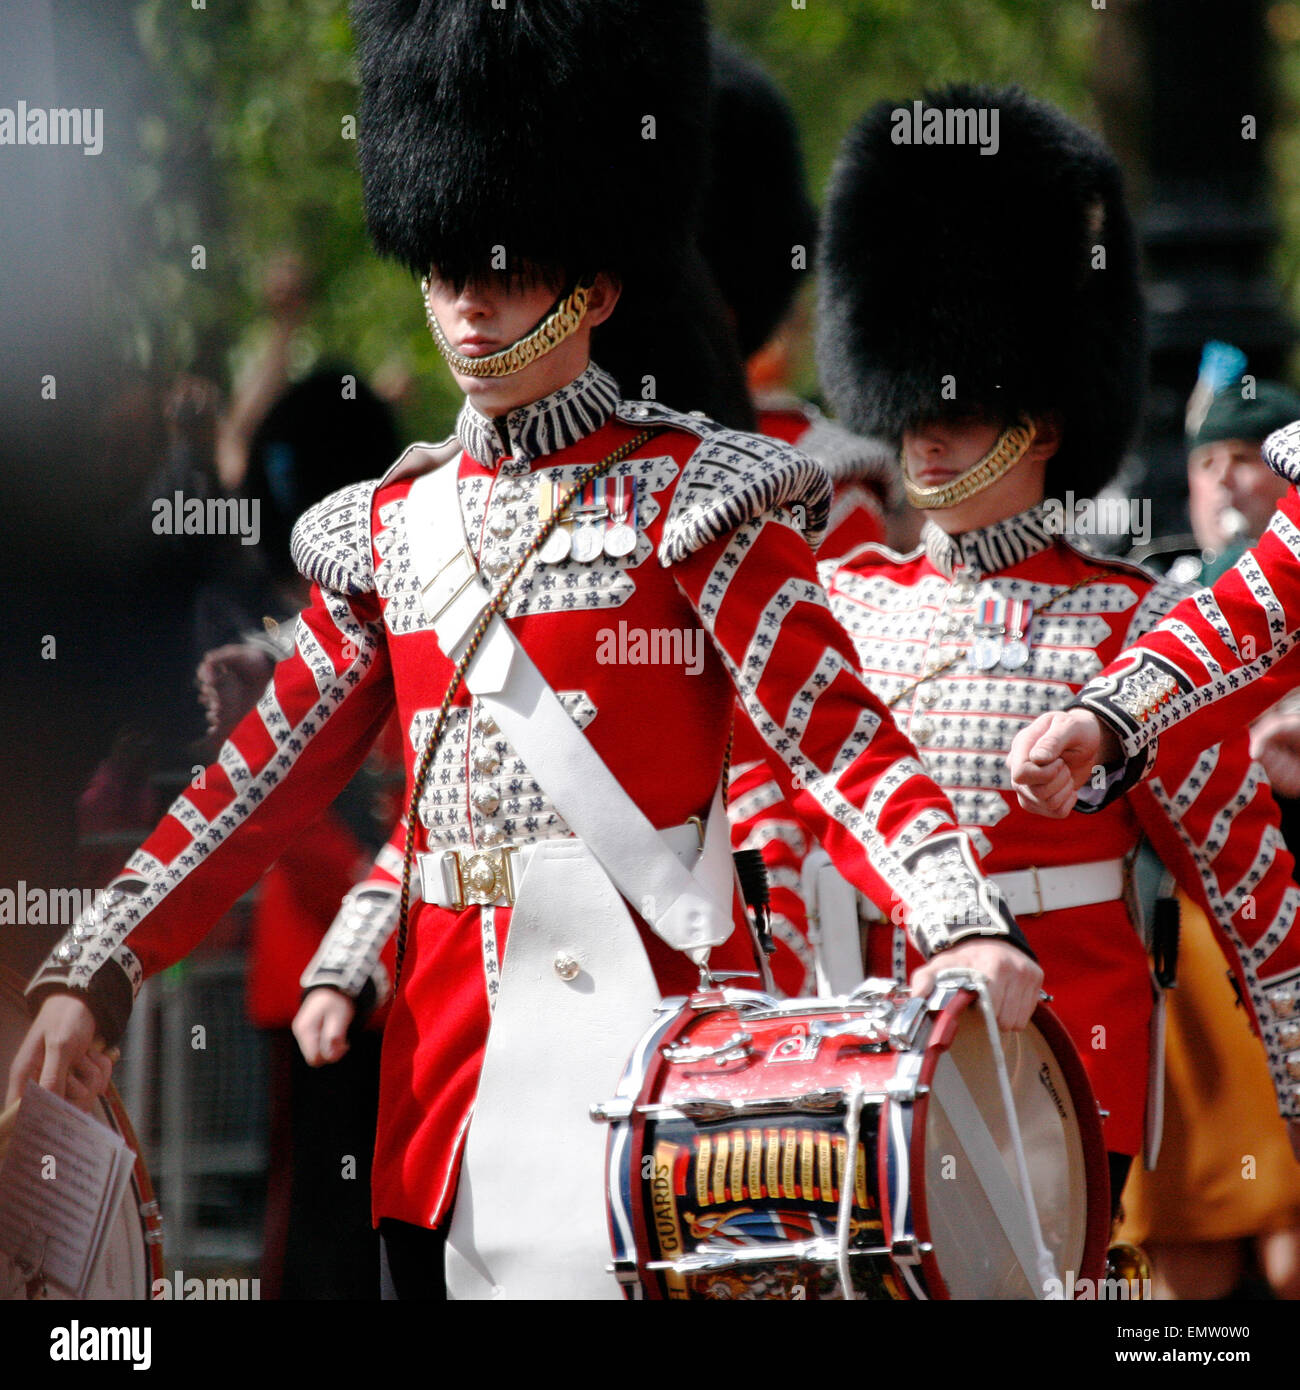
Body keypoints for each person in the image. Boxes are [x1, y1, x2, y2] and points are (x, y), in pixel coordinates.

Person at [7, 3, 1039, 1301]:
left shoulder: (700, 495)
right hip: (444, 1091)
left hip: (672, 1080)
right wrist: (95, 966)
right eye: (447, 272)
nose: (469, 304)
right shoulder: (391, 528)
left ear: (597, 285)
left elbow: (838, 741)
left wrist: (955, 920)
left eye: (505, 271)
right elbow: (252, 789)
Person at [762, 83, 1300, 1205]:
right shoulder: (844, 600)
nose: (925, 424)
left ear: (1043, 422)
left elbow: (1241, 885)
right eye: (911, 401)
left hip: (1060, 1063)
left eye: (959, 403)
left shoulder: (1131, 623)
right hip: (860, 1058)